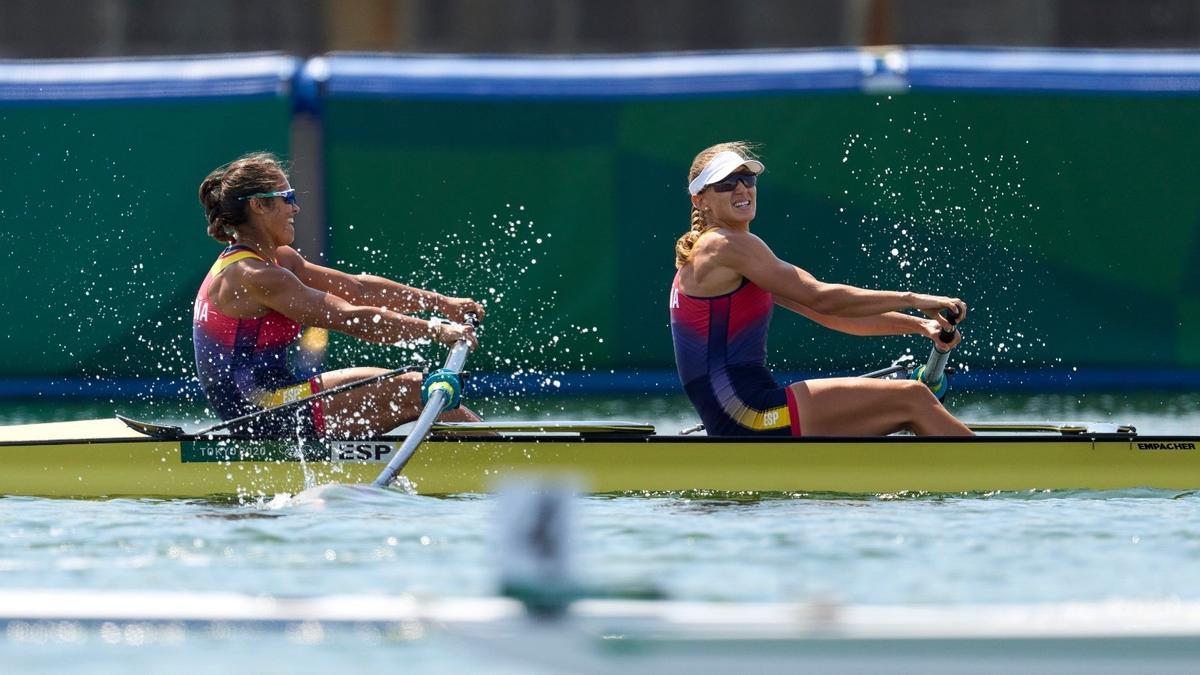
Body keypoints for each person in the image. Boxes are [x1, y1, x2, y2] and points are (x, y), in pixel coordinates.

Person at [670, 141, 973, 437]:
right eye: (725, 183)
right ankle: (994, 476)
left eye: (747, 179)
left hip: (738, 410)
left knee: (908, 401)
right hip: (746, 412)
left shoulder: (725, 254)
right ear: (699, 199)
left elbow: (829, 313)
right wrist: (914, 299)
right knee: (913, 398)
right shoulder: (723, 245)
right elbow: (822, 297)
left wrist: (921, 326)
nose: (741, 188)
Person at [194, 152, 483, 438]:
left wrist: (441, 303)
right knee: (420, 389)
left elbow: (358, 289)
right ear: (259, 205)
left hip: (281, 397)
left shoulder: (280, 259)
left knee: (434, 395)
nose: (295, 209)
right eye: (288, 197)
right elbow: (350, 317)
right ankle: (502, 468)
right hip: (260, 412)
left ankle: (492, 460)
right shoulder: (254, 275)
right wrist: (437, 331)